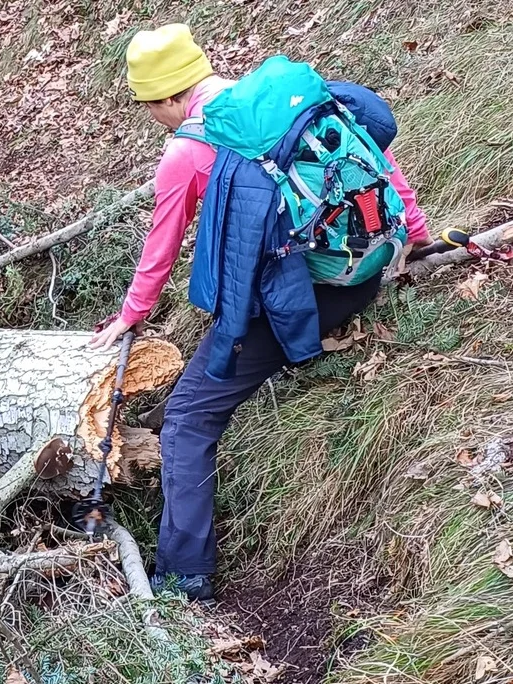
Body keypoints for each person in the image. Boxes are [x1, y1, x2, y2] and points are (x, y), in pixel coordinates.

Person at [87, 24, 432, 600]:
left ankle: (182, 577)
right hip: (362, 273)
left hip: (296, 302)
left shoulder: (186, 151)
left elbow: (163, 243)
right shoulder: (286, 101)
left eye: (151, 106)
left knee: (190, 422)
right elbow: (378, 165)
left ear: (170, 96)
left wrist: (132, 313)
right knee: (205, 374)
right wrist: (414, 238)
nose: (154, 118)